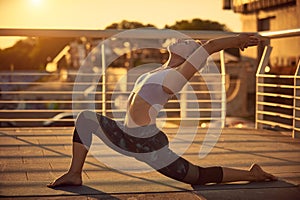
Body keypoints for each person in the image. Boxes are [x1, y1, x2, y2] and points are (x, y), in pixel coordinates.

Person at [47, 33, 277, 188]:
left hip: (146, 144)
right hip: (128, 136)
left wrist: (236, 40)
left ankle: (251, 174)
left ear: (189, 57)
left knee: (196, 177)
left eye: (190, 43)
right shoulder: (159, 70)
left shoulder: (176, 77)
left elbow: (210, 47)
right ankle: (75, 174)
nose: (184, 40)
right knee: (86, 119)